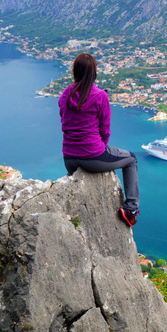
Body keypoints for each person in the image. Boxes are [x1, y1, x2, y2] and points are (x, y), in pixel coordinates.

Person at [59, 53, 139, 226]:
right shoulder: (100, 96)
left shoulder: (64, 95)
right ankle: (131, 209)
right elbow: (105, 129)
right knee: (131, 159)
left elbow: (64, 120)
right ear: (94, 73)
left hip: (68, 158)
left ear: (75, 71)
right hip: (93, 156)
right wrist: (101, 148)